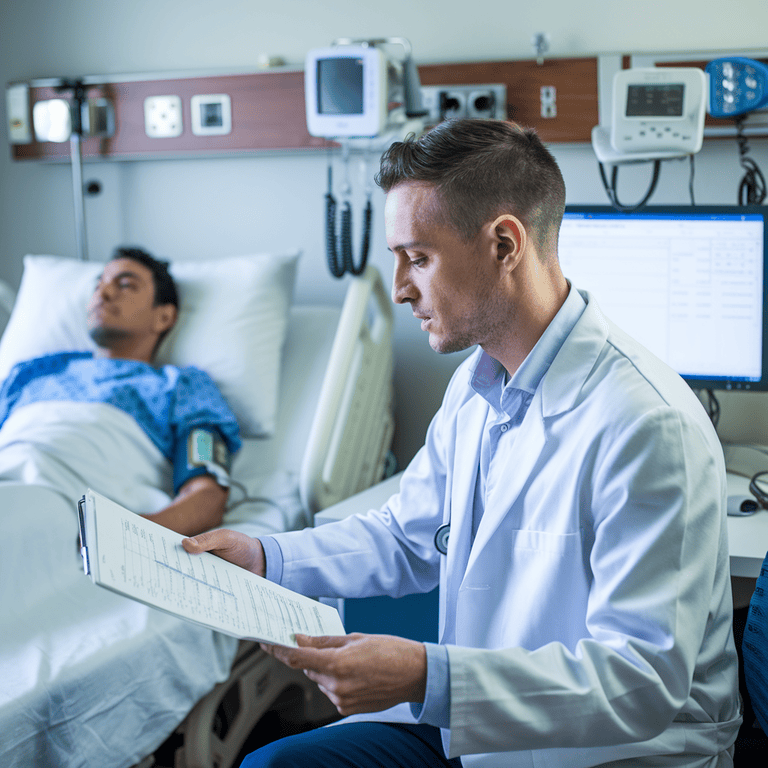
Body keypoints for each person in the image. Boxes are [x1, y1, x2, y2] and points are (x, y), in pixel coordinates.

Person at [183, 119, 741, 767]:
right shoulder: (476, 387)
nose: (399, 289)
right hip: (481, 727)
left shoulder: (643, 424)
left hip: (610, 753)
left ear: (505, 244)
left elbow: (642, 683)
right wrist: (264, 557)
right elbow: (408, 536)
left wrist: (428, 676)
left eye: (418, 258)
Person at [0, 246, 240, 536]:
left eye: (125, 285)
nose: (103, 294)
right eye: (98, 285)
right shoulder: (32, 372)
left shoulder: (181, 387)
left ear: (163, 317)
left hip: (67, 516)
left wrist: (121, 539)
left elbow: (206, 496)